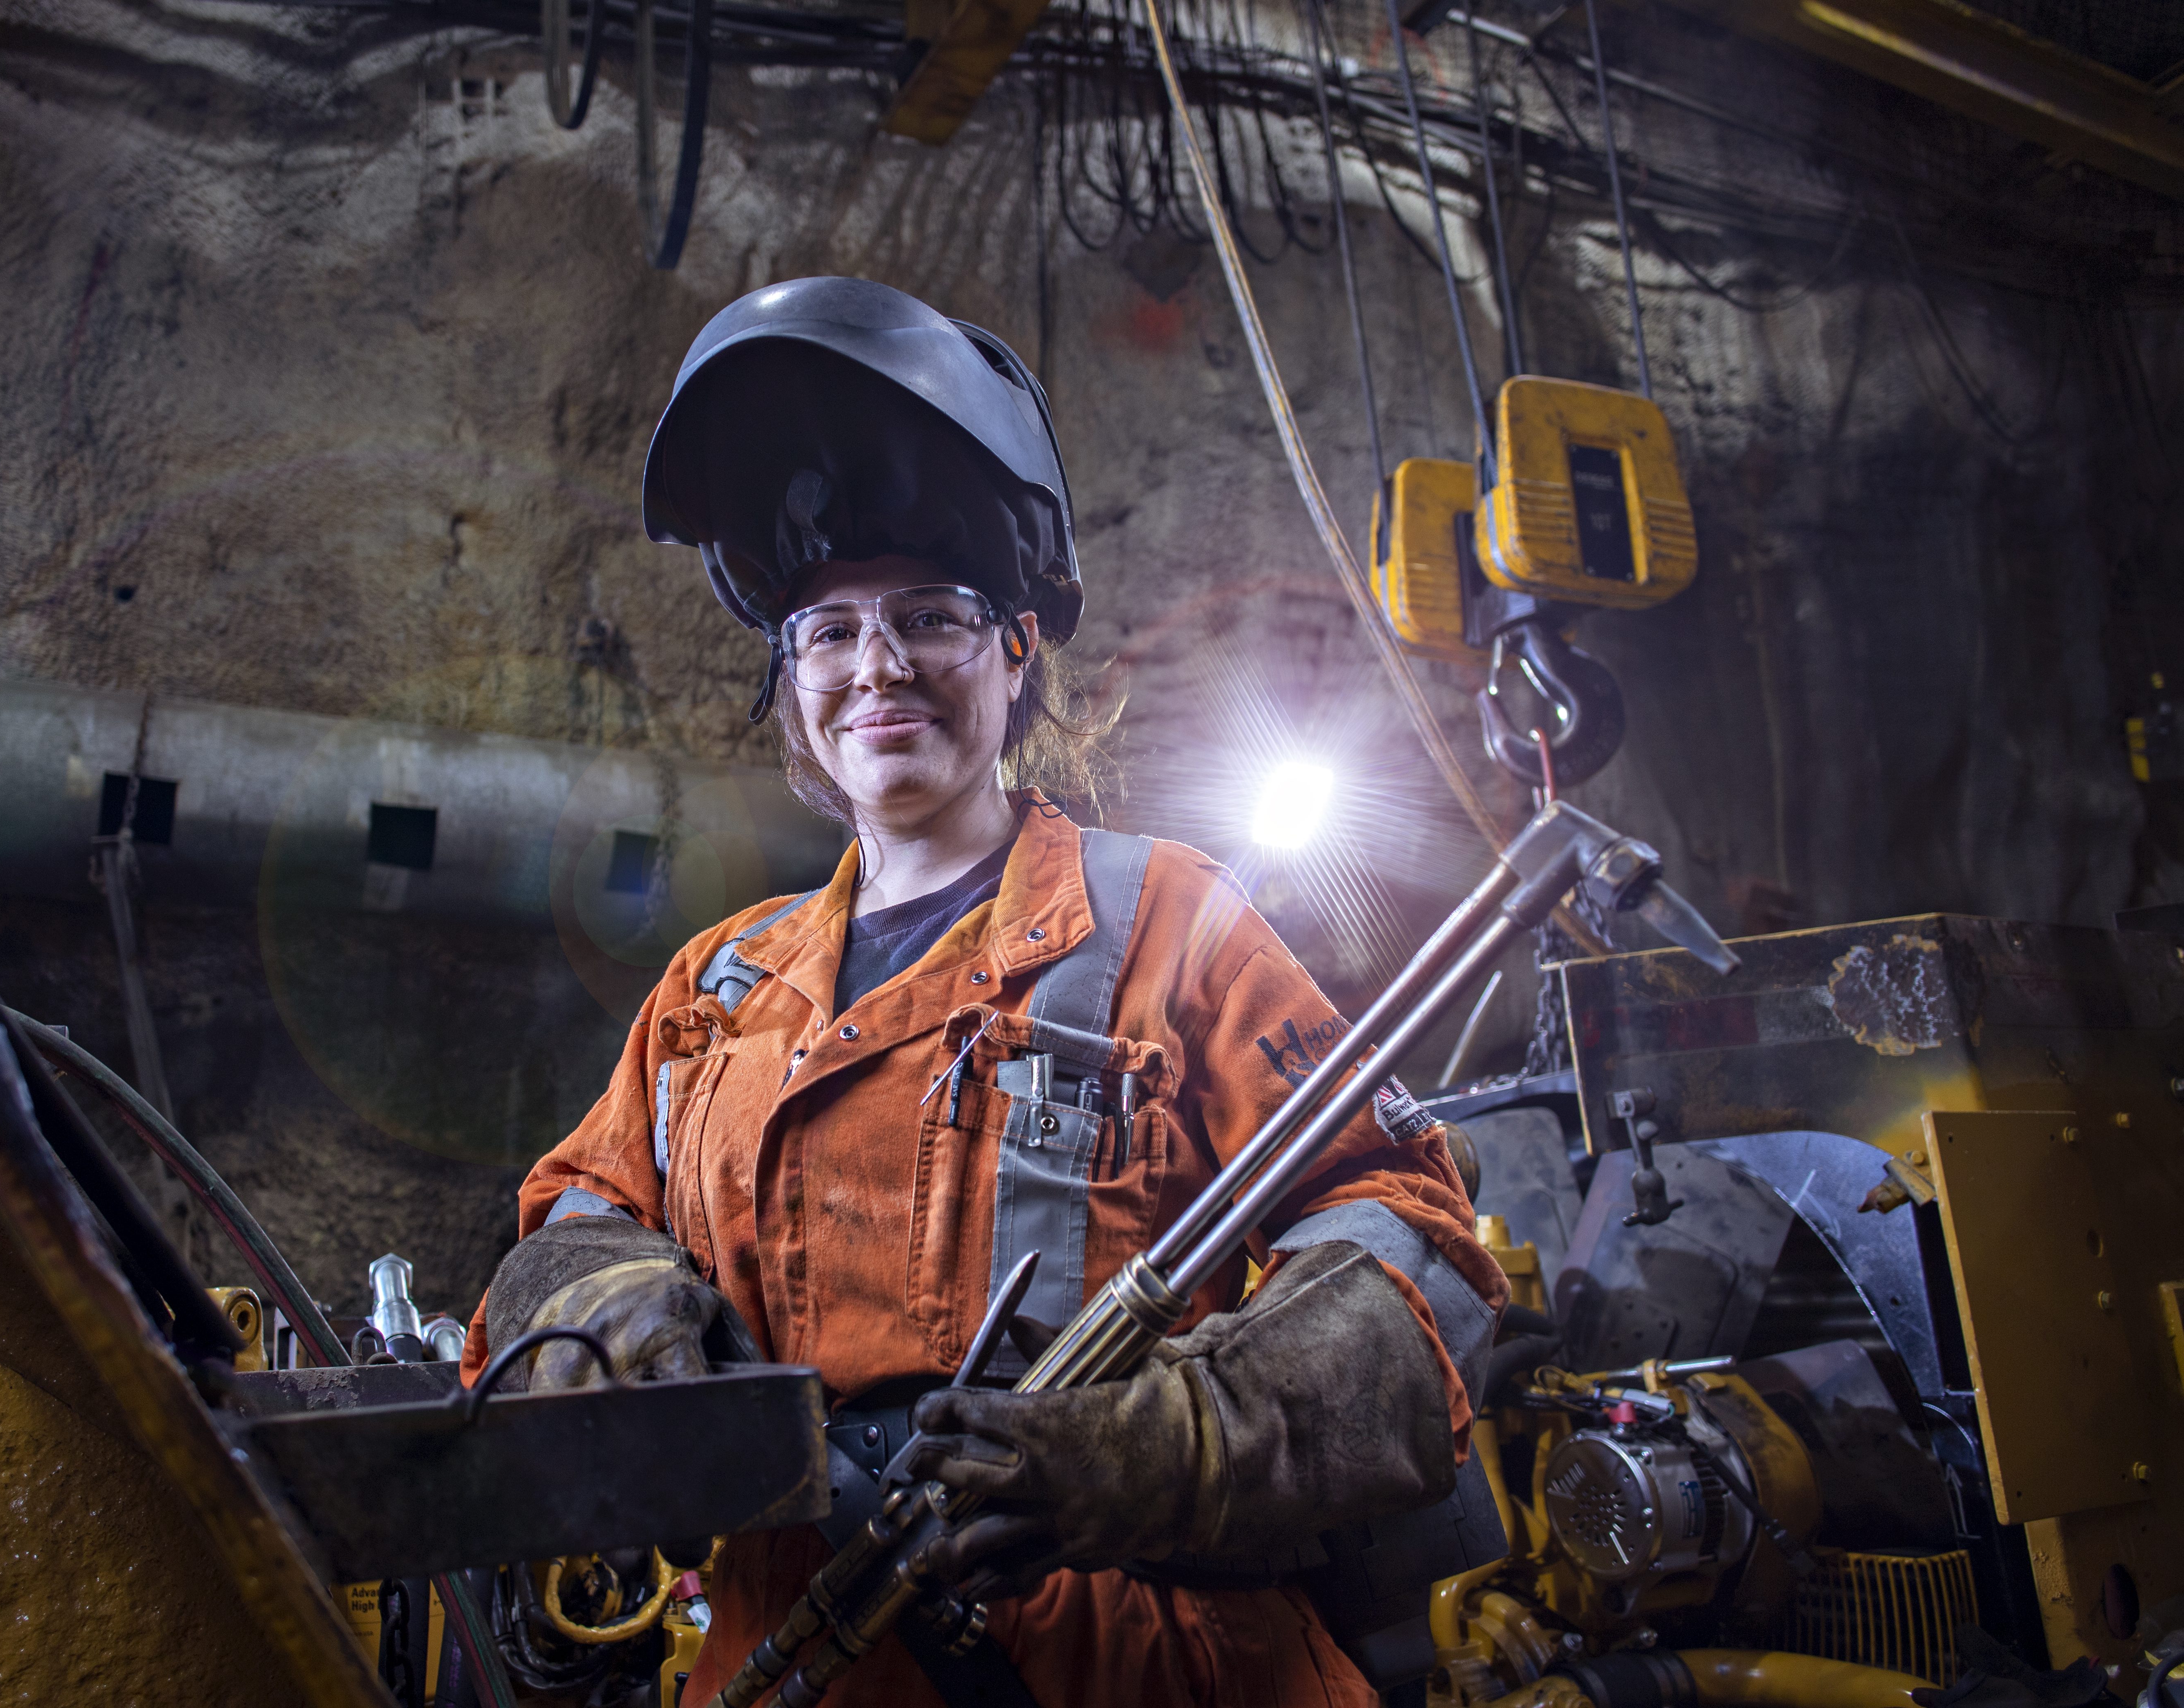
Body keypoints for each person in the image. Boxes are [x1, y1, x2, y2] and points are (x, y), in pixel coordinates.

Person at [465, 277, 1504, 1708]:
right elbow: (572, 1227)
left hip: (1132, 1667)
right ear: (791, 684)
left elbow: (1412, 1239)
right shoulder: (717, 989)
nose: (876, 666)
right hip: (793, 1657)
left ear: (1020, 653)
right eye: (826, 631)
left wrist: (1187, 1439)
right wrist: (618, 1306)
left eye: (931, 616)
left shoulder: (1166, 921)